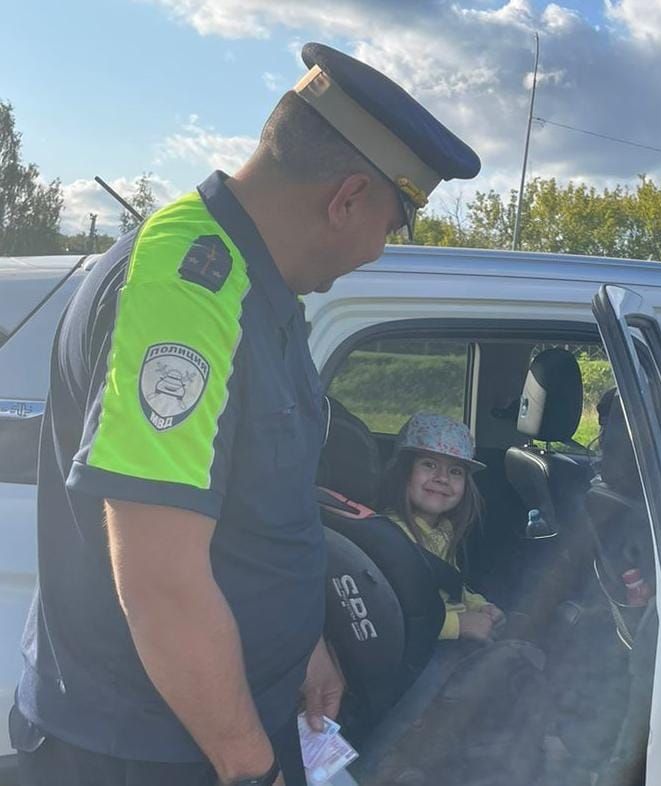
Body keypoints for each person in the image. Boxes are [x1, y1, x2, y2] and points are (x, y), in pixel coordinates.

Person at [10, 44, 480, 786]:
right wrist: (249, 763)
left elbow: (264, 504)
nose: (380, 253)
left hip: (210, 721)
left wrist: (301, 645)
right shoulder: (188, 292)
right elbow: (161, 577)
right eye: (393, 227)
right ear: (347, 196)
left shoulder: (264, 292)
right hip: (149, 746)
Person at [380, 412, 504, 642]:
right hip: (420, 652)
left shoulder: (443, 530)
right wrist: (459, 624)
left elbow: (449, 588)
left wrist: (478, 606)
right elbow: (394, 614)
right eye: (429, 465)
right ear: (404, 472)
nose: (442, 478)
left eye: (455, 471)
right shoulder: (393, 538)